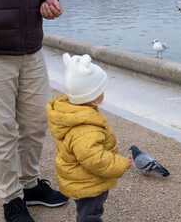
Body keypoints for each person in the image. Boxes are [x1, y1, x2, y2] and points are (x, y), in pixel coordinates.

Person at [0, 0, 68, 221]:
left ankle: (29, 184)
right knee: (2, 131)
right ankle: (11, 199)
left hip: (32, 49)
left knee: (37, 121)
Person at [47, 53, 133, 222]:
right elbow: (95, 159)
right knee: (90, 214)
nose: (103, 94)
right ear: (93, 98)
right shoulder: (86, 129)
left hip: (81, 179)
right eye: (101, 91)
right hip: (87, 183)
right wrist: (121, 163)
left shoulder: (72, 114)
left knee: (88, 211)